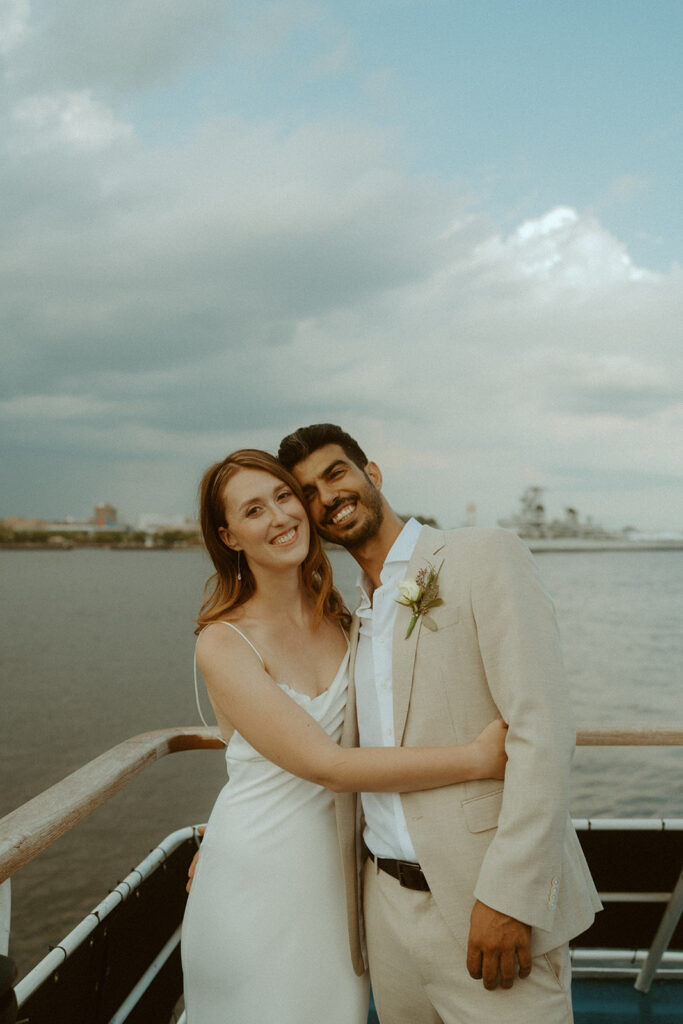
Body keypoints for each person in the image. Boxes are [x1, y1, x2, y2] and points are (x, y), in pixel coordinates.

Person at [278, 424, 602, 1024]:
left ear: (371, 473)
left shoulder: (484, 556)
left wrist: (509, 896)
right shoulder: (351, 618)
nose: (327, 496)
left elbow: (543, 732)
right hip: (387, 918)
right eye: (308, 492)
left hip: (487, 904)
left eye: (336, 474)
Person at [180, 448, 509, 1024]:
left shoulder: (344, 617)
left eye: (286, 497)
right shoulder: (224, 642)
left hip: (339, 880)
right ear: (230, 537)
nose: (281, 517)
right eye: (254, 510)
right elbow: (329, 765)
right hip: (255, 874)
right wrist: (476, 758)